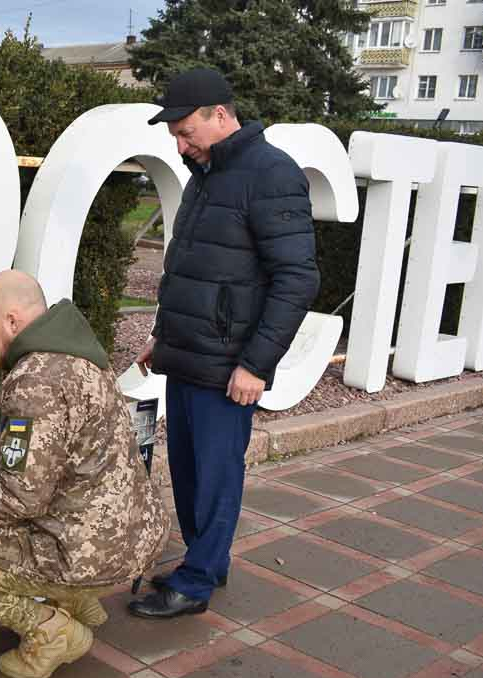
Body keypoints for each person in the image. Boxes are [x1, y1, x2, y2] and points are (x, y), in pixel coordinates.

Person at [0, 271, 168, 678]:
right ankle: (78, 601)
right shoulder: (77, 356)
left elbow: (17, 498)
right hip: (129, 537)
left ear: (11, 320)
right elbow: (48, 451)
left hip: (81, 552)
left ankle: (50, 629)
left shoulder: (35, 382)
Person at [130, 68, 319, 618]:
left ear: (221, 114)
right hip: (189, 354)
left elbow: (296, 279)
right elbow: (192, 269)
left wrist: (256, 364)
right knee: (189, 470)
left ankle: (195, 583)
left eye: (186, 131)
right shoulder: (206, 172)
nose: (180, 143)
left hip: (230, 364)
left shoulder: (271, 173)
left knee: (215, 474)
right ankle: (205, 561)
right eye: (175, 135)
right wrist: (161, 336)